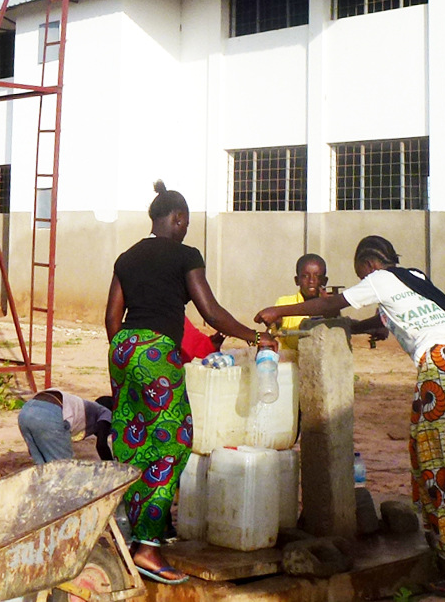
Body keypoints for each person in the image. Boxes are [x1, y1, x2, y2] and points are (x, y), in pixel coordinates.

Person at [255, 236, 445, 600]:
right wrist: (366, 328)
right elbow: (381, 320)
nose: (362, 281)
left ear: (368, 265)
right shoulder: (414, 276)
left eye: (359, 274)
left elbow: (335, 303)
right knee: (429, 461)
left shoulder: (380, 278)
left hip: (442, 368)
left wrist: (277, 312)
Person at [106, 180, 275, 585]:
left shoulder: (126, 257)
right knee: (173, 443)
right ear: (178, 219)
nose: (185, 228)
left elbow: (112, 319)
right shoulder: (185, 255)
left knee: (135, 442)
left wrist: (127, 359)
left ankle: (135, 533)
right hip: (155, 350)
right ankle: (148, 548)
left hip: (124, 347)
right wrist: (254, 338)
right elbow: (210, 310)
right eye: (185, 222)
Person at [18, 389, 114, 464]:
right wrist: (113, 467)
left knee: (42, 466)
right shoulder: (105, 412)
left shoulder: (81, 405)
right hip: (49, 413)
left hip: (26, 411)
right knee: (64, 469)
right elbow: (101, 445)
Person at [271, 253, 328, 351]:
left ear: (324, 281)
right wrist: (276, 324)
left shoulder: (330, 305)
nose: (311, 281)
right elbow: (272, 335)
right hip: (292, 361)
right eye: (305, 276)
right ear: (297, 280)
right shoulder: (284, 303)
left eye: (317, 276)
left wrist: (330, 308)